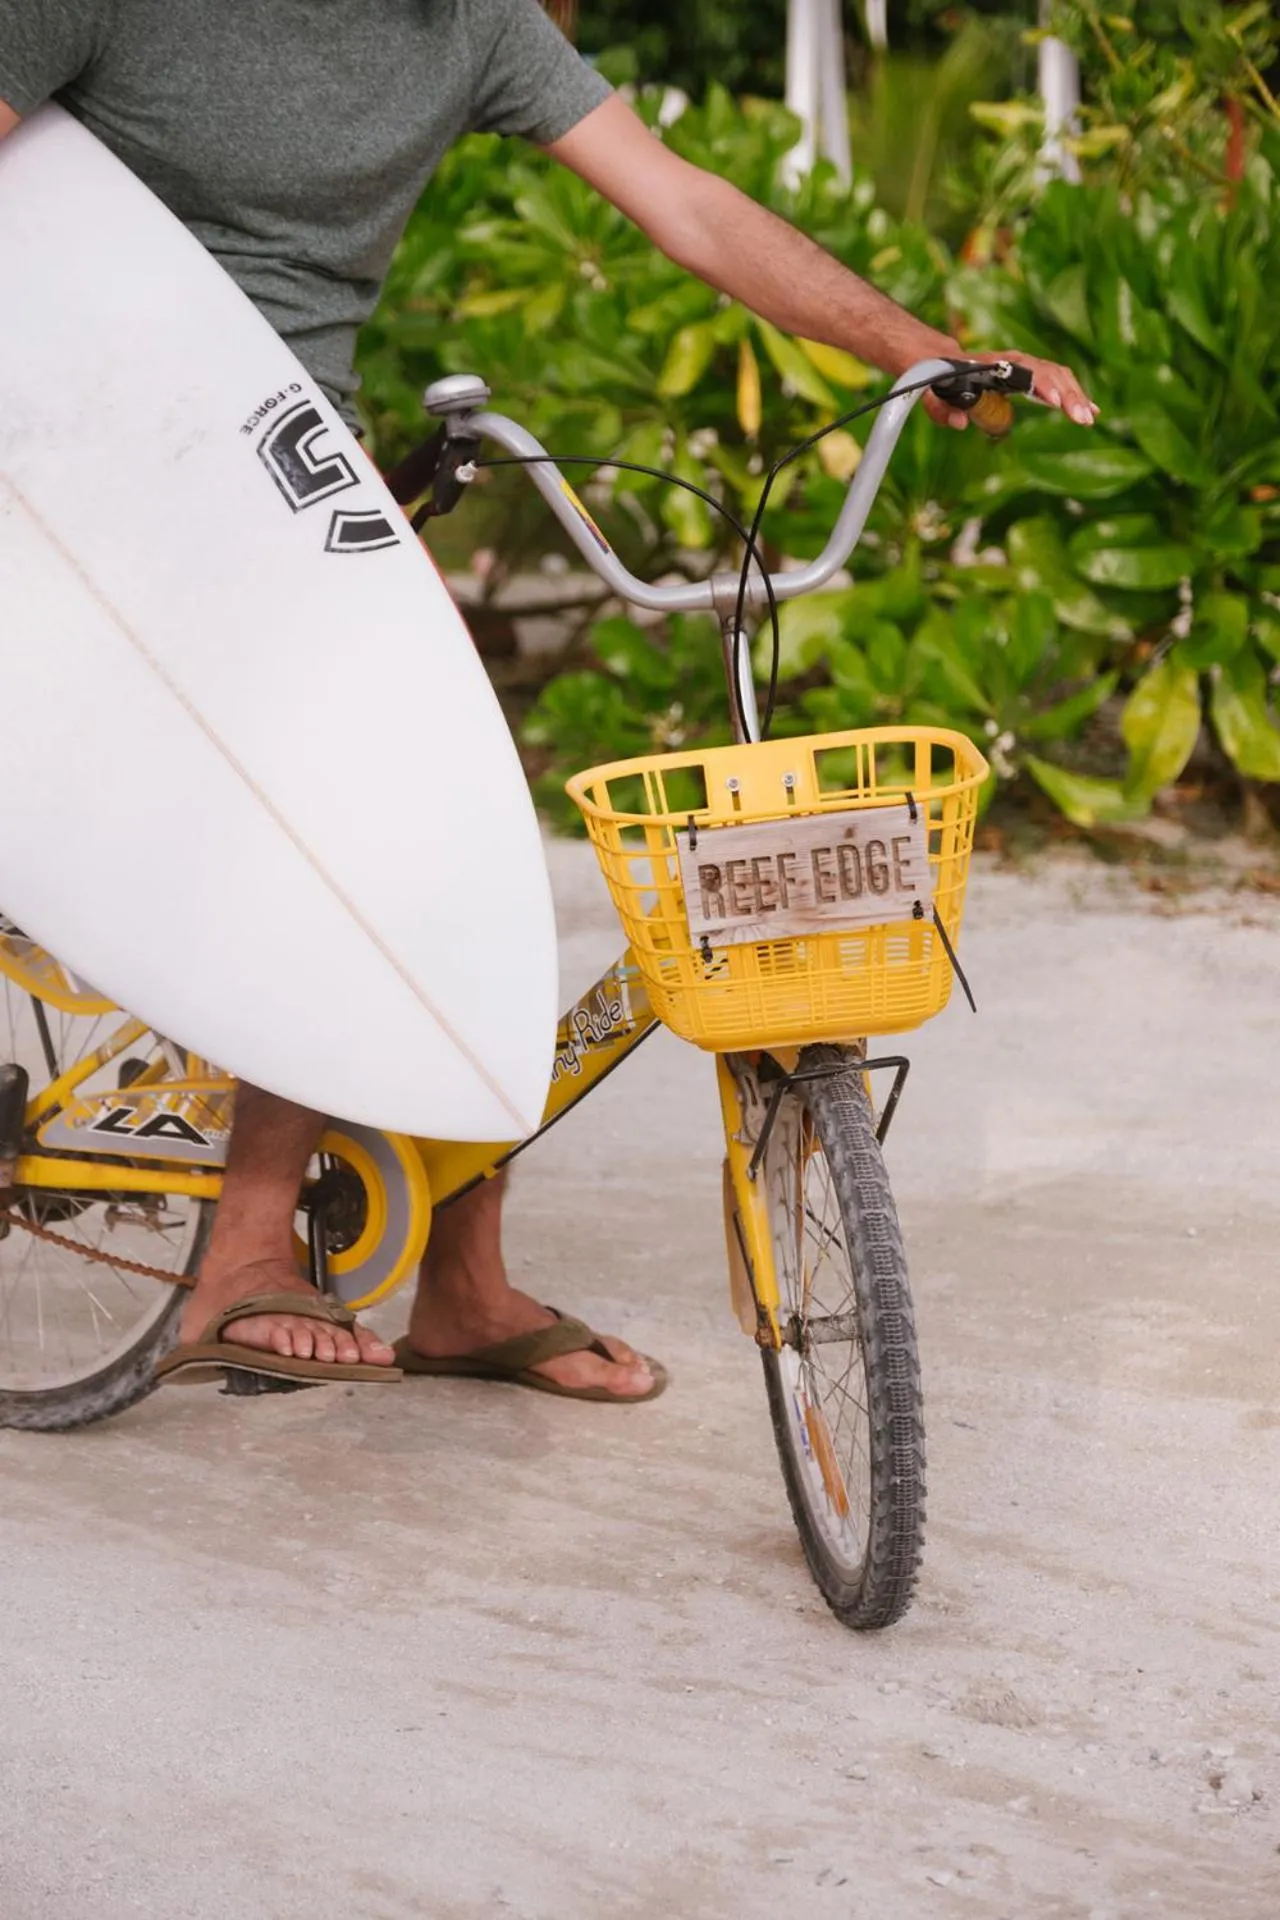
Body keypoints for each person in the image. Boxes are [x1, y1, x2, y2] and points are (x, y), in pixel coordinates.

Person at [0, 1, 1097, 1402]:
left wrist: (912, 349)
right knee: (344, 799)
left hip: (290, 476)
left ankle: (462, 1285)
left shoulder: (474, 25)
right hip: (77, 472)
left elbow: (687, 204)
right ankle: (244, 1253)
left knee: (454, 826)